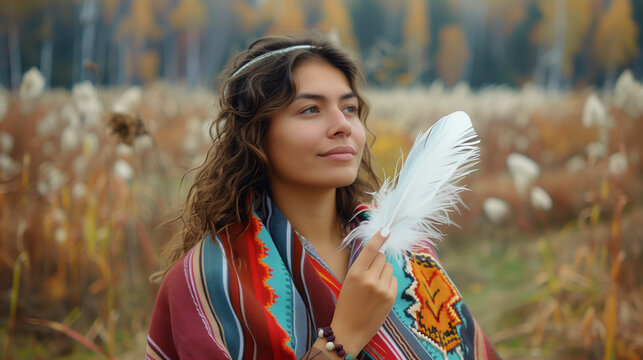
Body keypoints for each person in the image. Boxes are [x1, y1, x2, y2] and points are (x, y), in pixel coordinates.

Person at [146, 32, 501, 360]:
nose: (343, 125)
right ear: (257, 135)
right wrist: (344, 335)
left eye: (349, 108)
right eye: (310, 109)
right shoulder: (210, 282)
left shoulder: (407, 250)